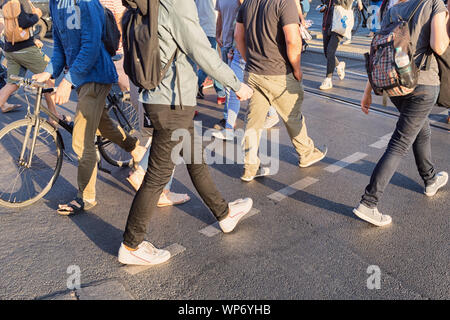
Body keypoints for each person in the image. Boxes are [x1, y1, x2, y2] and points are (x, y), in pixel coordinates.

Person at [118, 0, 255, 266]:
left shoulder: (144, 4)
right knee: (157, 176)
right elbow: (200, 48)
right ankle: (131, 244)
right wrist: (235, 84)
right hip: (173, 101)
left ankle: (224, 215)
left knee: (195, 159)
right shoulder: (175, 2)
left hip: (159, 97)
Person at [33, 0, 147, 215]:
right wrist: (48, 72)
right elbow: (59, 48)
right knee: (102, 124)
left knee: (81, 140)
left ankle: (86, 197)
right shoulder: (55, 3)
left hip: (96, 74)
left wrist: (67, 81)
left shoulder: (87, 2)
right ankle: (135, 148)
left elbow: (91, 46)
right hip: (80, 77)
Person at [354, 0, 449, 227]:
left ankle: (430, 179)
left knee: (421, 129)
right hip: (423, 84)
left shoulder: (392, 9)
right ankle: (369, 202)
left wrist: (367, 92)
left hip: (396, 86)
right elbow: (439, 46)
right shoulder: (434, 4)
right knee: (400, 143)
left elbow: (379, 53)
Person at [235, 0, 327, 182]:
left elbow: (238, 36)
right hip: (279, 73)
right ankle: (306, 153)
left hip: (254, 73)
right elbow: (292, 40)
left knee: (253, 122)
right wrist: (297, 69)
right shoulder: (285, 3)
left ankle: (250, 167)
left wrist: (249, 61)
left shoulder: (248, 4)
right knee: (292, 116)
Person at [0, 0, 59, 118]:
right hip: (25, 49)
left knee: (12, 84)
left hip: (11, 49)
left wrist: (32, 39)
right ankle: (54, 116)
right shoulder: (21, 1)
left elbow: (15, 24)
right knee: (48, 75)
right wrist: (37, 14)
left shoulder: (5, 1)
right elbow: (24, 22)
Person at [214, 0, 241, 129]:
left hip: (237, 46)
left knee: (233, 84)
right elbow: (220, 16)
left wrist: (237, 45)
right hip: (225, 43)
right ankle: (228, 119)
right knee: (227, 83)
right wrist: (217, 33)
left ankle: (228, 120)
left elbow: (246, 15)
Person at [194, 0, 227, 105]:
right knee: (212, 63)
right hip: (211, 28)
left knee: (206, 62)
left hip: (198, 28)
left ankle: (196, 86)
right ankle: (221, 93)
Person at [319, 0, 352, 90]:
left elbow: (347, 4)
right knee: (326, 52)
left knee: (330, 50)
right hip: (327, 23)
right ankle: (339, 65)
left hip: (339, 24)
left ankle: (328, 79)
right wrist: (324, 7)